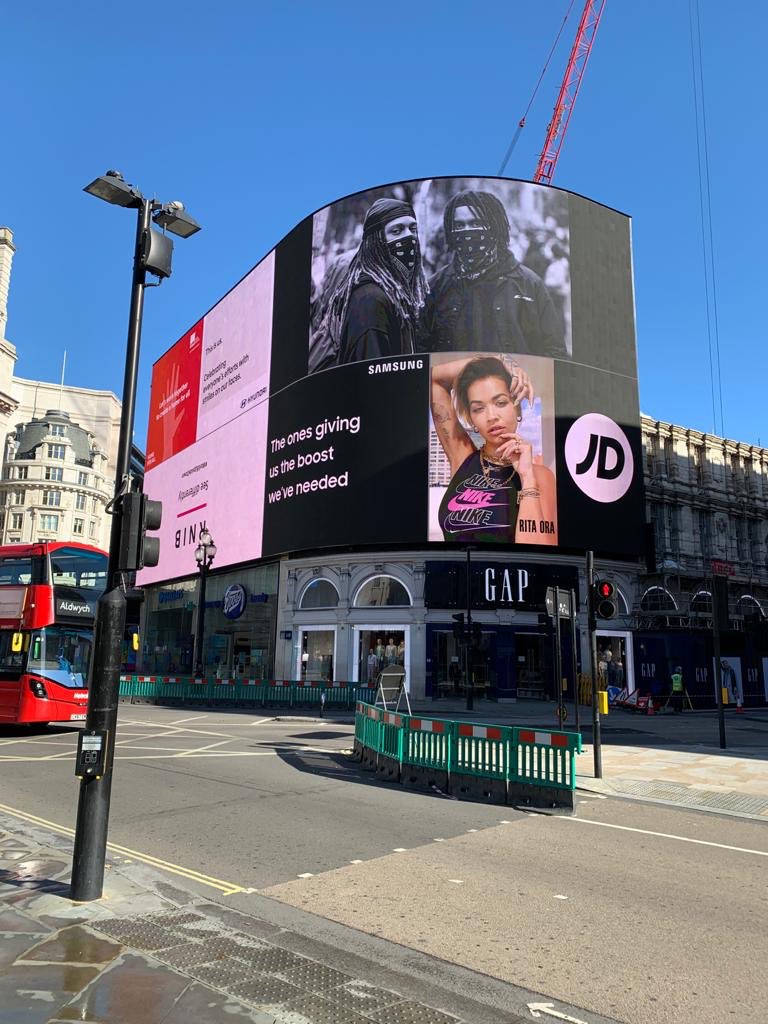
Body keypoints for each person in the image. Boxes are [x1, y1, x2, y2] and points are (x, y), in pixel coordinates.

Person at [421, 190, 566, 357]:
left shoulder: (529, 285)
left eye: (476, 223)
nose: (467, 231)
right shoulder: (436, 287)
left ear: (494, 226)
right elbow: (423, 352)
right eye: (459, 226)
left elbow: (555, 352)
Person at [431, 354, 557, 544]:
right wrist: (499, 359)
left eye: (500, 403)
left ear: (517, 408)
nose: (491, 416)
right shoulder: (462, 456)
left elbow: (538, 557)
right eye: (478, 409)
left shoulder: (540, 476)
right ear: (472, 419)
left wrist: (527, 478)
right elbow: (433, 379)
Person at [321, 197, 429, 365]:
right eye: (397, 231)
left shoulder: (395, 294)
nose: (409, 236)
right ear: (377, 241)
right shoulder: (369, 301)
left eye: (413, 229)